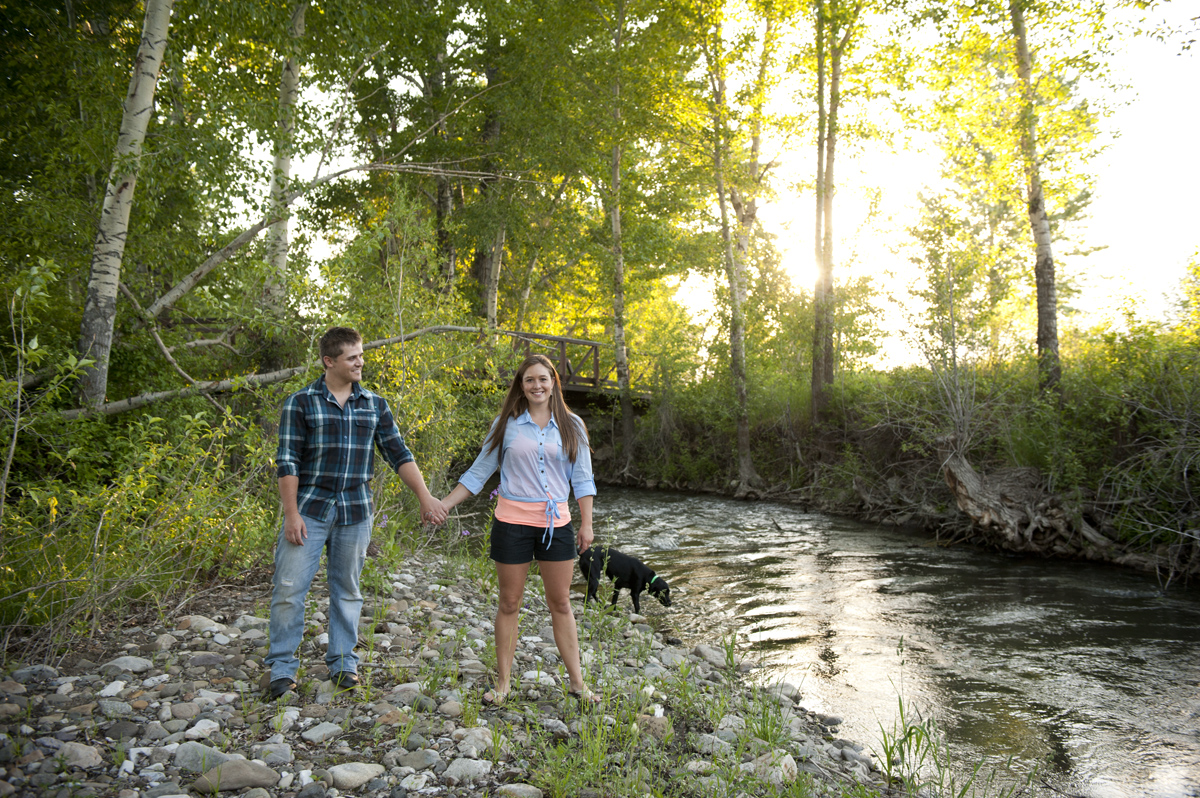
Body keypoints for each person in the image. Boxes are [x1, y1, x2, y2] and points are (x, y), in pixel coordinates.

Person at [266, 326, 447, 699]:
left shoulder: (374, 404)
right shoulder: (300, 403)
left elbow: (398, 453)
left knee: (347, 590)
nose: (360, 362)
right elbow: (287, 461)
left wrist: (425, 497)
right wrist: (291, 514)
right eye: (352, 357)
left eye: (361, 355)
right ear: (329, 361)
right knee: (289, 589)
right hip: (310, 510)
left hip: (356, 511)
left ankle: (343, 663)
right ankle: (282, 669)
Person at [439, 353, 600, 705]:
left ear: (553, 383)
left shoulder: (572, 425)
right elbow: (479, 471)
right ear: (521, 385)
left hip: (557, 525)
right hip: (511, 524)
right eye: (529, 380)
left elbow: (583, 479)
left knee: (561, 603)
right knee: (509, 602)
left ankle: (578, 683)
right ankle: (503, 684)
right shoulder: (506, 424)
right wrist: (445, 504)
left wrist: (586, 524)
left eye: (543, 379)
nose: (536, 385)